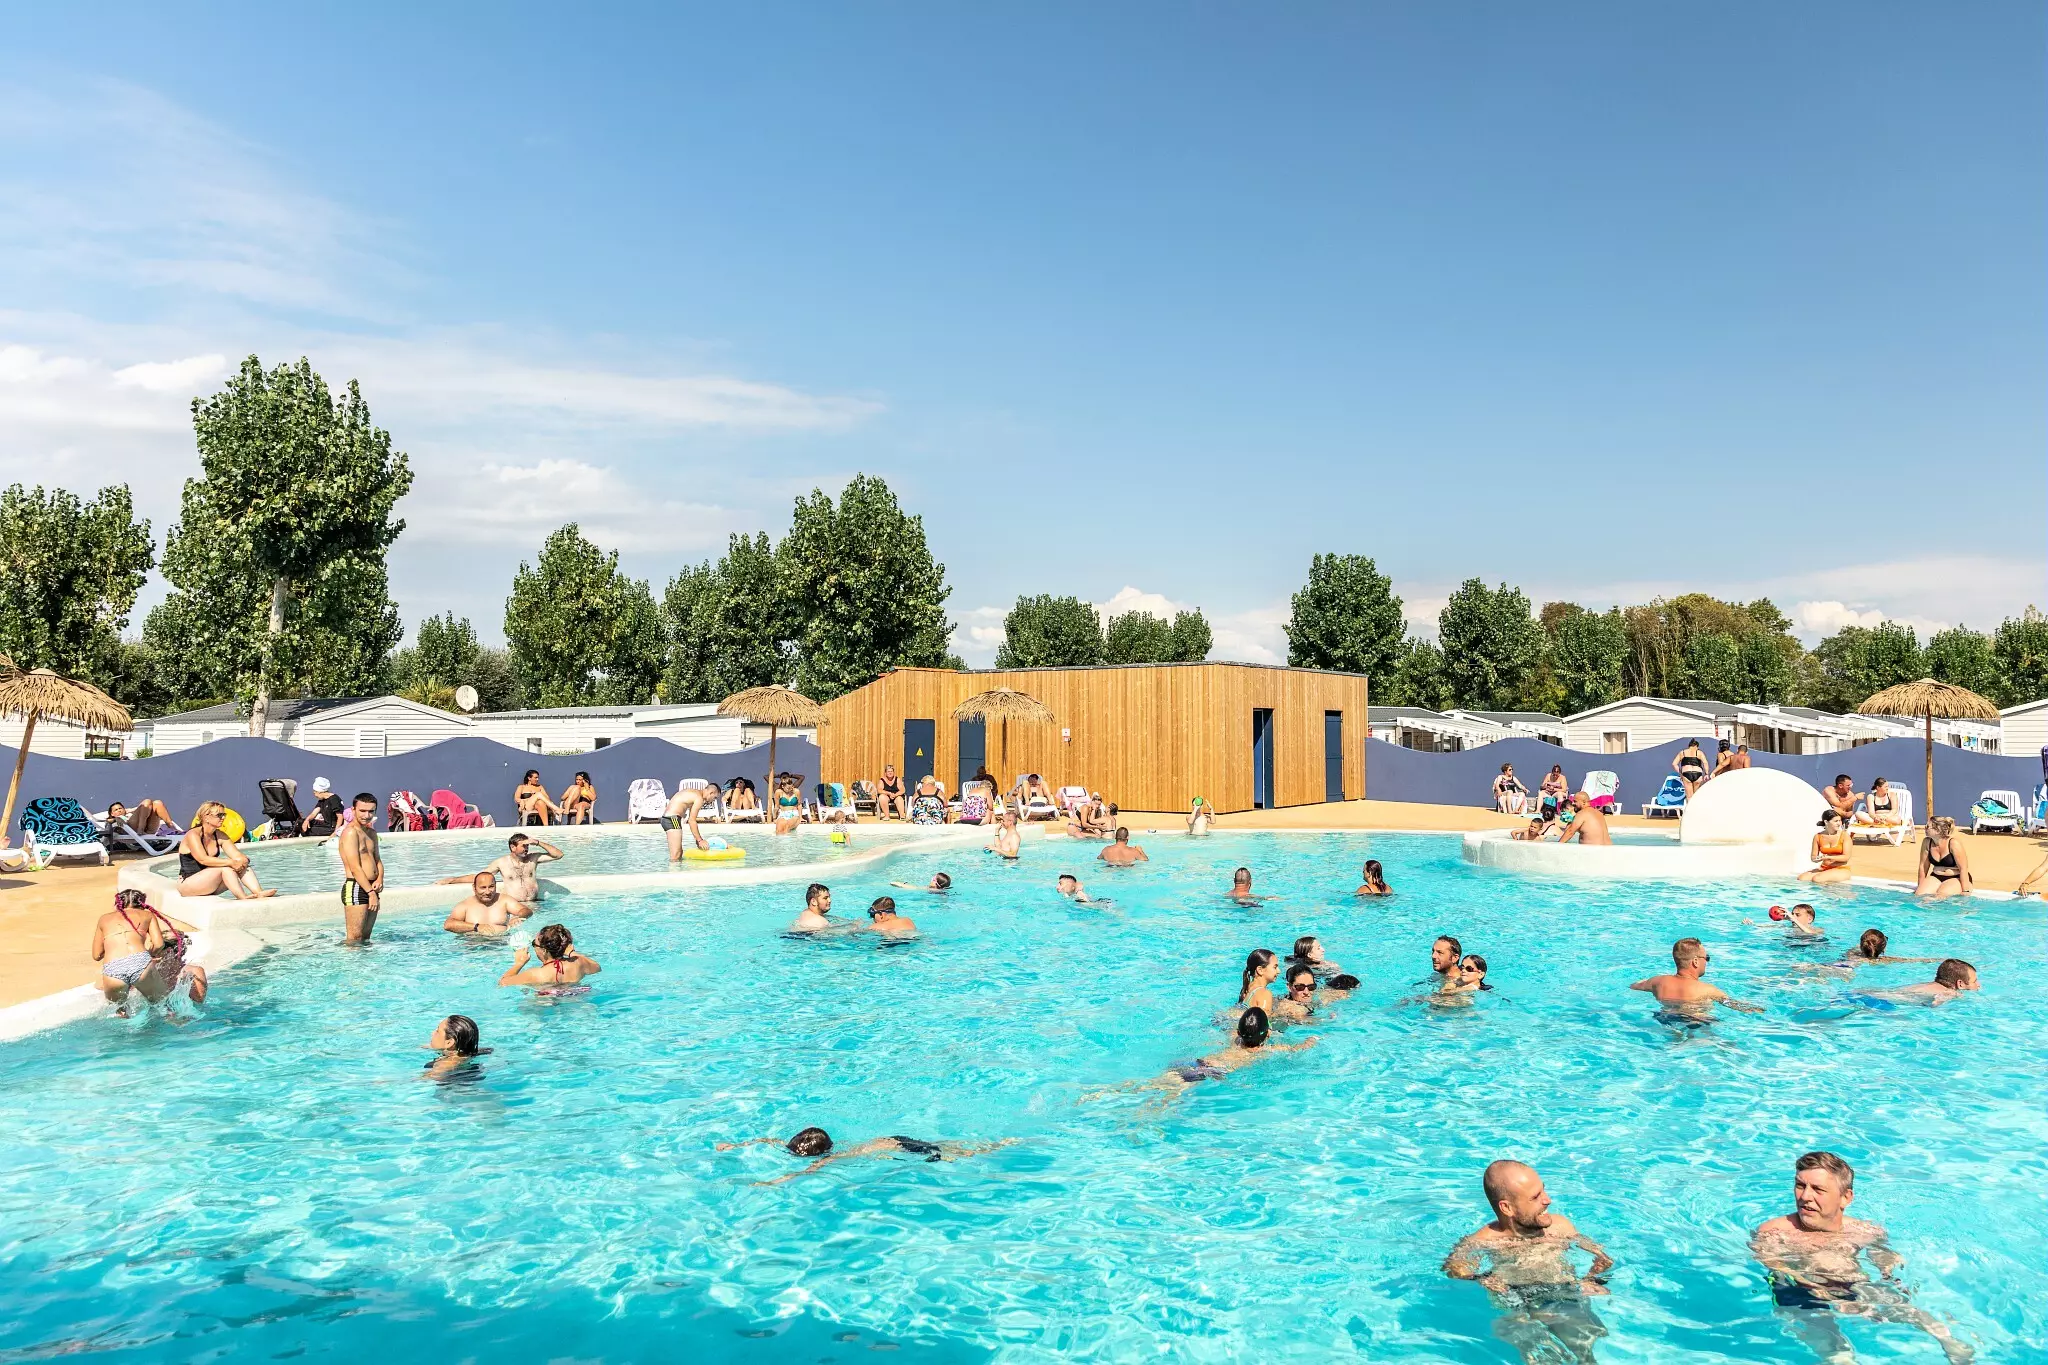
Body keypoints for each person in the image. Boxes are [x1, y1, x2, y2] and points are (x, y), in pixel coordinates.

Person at [1750, 1151, 1974, 1364]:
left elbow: (1887, 1261)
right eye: (1800, 1185)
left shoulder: (1864, 1232)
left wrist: (1891, 1276)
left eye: (1818, 1189)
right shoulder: (1775, 1232)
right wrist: (1817, 1287)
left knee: (1901, 1304)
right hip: (1799, 1291)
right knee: (1836, 1352)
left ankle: (1950, 1343)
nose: (1805, 1196)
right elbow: (1775, 1267)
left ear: (1845, 1198)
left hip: (1852, 1285)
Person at [1444, 1160, 1614, 1365]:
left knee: (1585, 1351)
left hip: (1563, 1293)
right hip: (1515, 1299)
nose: (1547, 1200)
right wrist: (1483, 1278)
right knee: (1533, 1349)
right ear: (1507, 1208)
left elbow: (1603, 1258)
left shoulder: (1560, 1227)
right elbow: (1454, 1269)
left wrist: (1591, 1280)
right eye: (1535, 1197)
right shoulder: (1486, 1240)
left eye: (1543, 1190)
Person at [1088, 1007, 1316, 1107]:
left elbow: (1228, 1025)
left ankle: (1102, 1092)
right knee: (1165, 1102)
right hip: (1207, 1072)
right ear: (1266, 1036)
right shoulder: (1265, 1050)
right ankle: (1142, 1122)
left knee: (1152, 1084)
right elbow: (1296, 1049)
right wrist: (1311, 1041)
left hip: (1194, 1062)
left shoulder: (1235, 1039)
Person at [718, 1127, 1017, 1185]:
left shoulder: (833, 1158)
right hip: (894, 1139)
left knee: (956, 1155)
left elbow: (808, 1172)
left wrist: (774, 1182)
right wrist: (735, 1145)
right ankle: (996, 1142)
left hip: (902, 1148)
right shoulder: (842, 1147)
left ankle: (1000, 1146)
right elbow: (770, 1140)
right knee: (946, 1145)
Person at [91, 889, 207, 1014]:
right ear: (142, 904)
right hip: (139, 961)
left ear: (118, 904)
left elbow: (96, 955)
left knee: (118, 1011)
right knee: (164, 1006)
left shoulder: (104, 919)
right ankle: (179, 1024)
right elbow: (159, 944)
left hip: (112, 967)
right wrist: (150, 955)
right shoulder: (147, 915)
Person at [1630, 937, 1761, 1017]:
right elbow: (1739, 1006)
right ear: (1696, 961)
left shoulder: (1657, 981)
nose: (1707, 961)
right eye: (1706, 958)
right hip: (1695, 1021)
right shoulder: (1708, 990)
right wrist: (1759, 1010)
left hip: (1664, 1018)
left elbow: (1634, 986)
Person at [176, 803, 276, 900]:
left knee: (241, 865)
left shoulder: (220, 835)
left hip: (209, 883)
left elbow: (236, 855)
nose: (223, 818)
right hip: (188, 884)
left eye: (224, 815)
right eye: (219, 815)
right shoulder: (193, 834)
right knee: (226, 868)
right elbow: (203, 859)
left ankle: (258, 892)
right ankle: (243, 897)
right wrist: (231, 862)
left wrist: (242, 861)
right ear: (206, 817)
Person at [336, 792, 384, 942]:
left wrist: (380, 879)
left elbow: (377, 860)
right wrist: (370, 893)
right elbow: (355, 867)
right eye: (362, 811)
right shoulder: (350, 833)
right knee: (354, 938)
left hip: (372, 887)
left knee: (365, 937)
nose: (366, 815)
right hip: (357, 887)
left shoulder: (372, 833)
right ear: (353, 810)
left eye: (371, 811)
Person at [498, 922, 600, 990]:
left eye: (534, 944)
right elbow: (597, 968)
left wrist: (519, 964)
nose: (534, 947)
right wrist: (571, 952)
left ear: (544, 950)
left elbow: (502, 983)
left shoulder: (535, 974)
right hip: (577, 999)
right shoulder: (578, 963)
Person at [442, 870, 531, 935]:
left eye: (491, 887)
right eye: (483, 887)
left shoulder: (504, 900)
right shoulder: (465, 905)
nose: (488, 892)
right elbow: (448, 925)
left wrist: (518, 917)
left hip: (501, 945)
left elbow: (526, 910)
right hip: (473, 947)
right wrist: (476, 927)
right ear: (474, 888)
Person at [1861, 958, 1979, 1006]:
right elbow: (1935, 1004)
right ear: (1960, 984)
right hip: (1875, 1001)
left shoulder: (1928, 985)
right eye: (1974, 981)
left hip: (1867, 993)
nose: (1978, 985)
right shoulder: (1951, 992)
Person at [490, 832, 562, 905]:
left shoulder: (533, 858)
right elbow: (484, 876)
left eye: (527, 846)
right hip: (515, 905)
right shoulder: (501, 863)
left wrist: (538, 843)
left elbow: (559, 855)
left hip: (534, 904)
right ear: (513, 847)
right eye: (524, 846)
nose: (526, 848)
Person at [1915, 816, 1972, 897]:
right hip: (1936, 876)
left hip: (1956, 877)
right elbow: (1923, 866)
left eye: (1927, 827)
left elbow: (1963, 868)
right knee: (1920, 895)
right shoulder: (1927, 842)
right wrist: (1920, 886)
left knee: (1941, 895)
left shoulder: (1953, 843)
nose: (1925, 828)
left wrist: (1965, 890)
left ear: (1938, 830)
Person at [1832, 928, 1939, 971]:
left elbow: (1861, 946)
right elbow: (1911, 960)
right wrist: (1937, 960)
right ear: (1884, 949)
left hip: (1834, 966)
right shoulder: (1882, 961)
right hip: (1846, 971)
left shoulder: (1851, 953)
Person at [423, 1015, 490, 1077]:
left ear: (449, 1042)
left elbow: (424, 1080)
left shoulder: (445, 1065)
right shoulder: (467, 1051)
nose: (432, 1033)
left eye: (437, 1031)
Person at [663, 784, 716, 859]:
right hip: (672, 819)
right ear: (711, 793)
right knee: (676, 855)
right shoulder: (699, 798)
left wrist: (697, 840)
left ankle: (676, 866)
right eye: (715, 797)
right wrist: (700, 840)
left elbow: (691, 819)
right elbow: (691, 821)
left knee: (679, 853)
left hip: (669, 818)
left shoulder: (694, 794)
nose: (713, 800)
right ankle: (672, 866)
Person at [1800, 812, 1852, 885]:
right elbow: (1813, 857)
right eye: (1836, 821)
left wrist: (1828, 857)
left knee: (1817, 879)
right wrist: (1818, 858)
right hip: (1824, 868)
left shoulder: (1844, 836)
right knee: (1802, 878)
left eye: (1840, 821)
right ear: (1826, 822)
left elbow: (1846, 857)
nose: (1839, 823)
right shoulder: (1818, 836)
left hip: (1842, 869)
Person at [106, 798, 179, 837]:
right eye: (116, 810)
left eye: (120, 808)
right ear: (112, 813)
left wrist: (129, 811)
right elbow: (108, 821)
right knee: (147, 801)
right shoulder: (114, 820)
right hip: (134, 830)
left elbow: (143, 808)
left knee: (157, 803)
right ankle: (140, 829)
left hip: (148, 830)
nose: (119, 810)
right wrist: (116, 819)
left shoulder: (129, 813)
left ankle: (172, 827)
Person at [1237, 948, 1280, 1014]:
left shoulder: (1247, 989)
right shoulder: (1265, 993)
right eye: (1275, 967)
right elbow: (1263, 1019)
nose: (1279, 971)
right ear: (1260, 970)